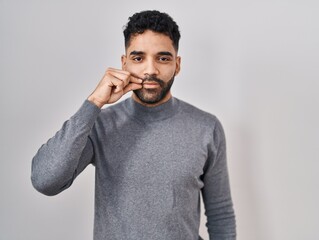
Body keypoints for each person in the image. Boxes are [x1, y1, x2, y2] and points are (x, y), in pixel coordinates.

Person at [31, 10, 236, 240]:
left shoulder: (207, 128)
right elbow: (45, 181)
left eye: (163, 58)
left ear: (177, 65)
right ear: (124, 63)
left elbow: (220, 214)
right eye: (138, 58)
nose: (150, 70)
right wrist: (93, 103)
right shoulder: (100, 124)